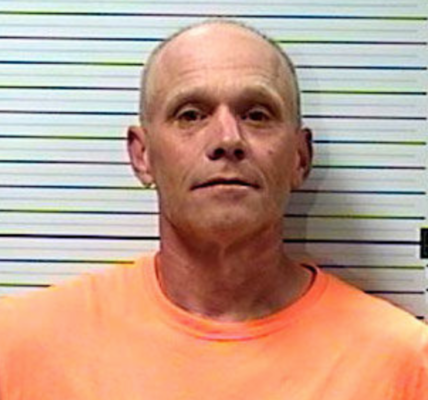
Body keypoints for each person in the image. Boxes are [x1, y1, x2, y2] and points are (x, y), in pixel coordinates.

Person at [0, 19, 427, 400]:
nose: (227, 139)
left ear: (300, 157)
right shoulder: (20, 346)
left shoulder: (403, 365)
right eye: (190, 115)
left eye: (257, 115)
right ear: (142, 155)